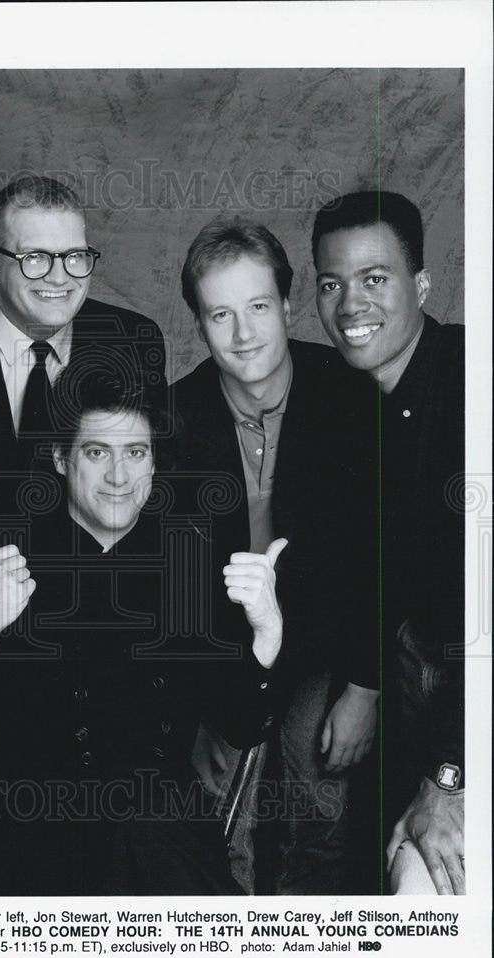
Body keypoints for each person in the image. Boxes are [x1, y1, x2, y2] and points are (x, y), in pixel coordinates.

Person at [0, 363, 284, 896]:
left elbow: (240, 722)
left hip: (156, 839)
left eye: (135, 453)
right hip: (23, 837)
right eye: (97, 452)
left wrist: (267, 634)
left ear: (155, 463)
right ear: (61, 458)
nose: (119, 475)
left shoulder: (189, 565)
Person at [173, 217, 380, 894]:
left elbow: (381, 558)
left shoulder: (354, 397)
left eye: (257, 307)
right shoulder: (173, 419)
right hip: (225, 649)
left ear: (287, 306)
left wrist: (363, 685)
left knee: (316, 815)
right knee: (212, 828)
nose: (242, 334)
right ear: (199, 326)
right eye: (220, 315)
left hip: (328, 648)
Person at [312, 190, 465, 895]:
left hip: (469, 694)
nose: (349, 305)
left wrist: (448, 779)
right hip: (416, 674)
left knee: (420, 891)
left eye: (374, 279)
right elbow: (371, 561)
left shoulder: (472, 387)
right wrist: (364, 685)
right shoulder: (353, 406)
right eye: (330, 283)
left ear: (422, 287)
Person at [0, 173, 167, 506]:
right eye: (35, 257)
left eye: (74, 256)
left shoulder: (131, 341)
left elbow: (145, 480)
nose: (59, 277)